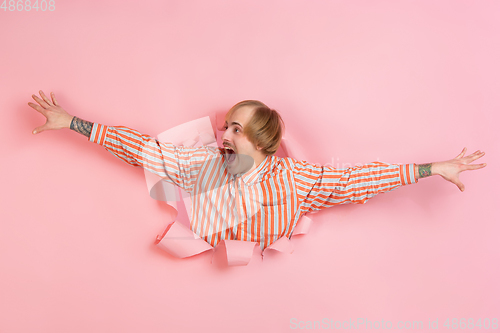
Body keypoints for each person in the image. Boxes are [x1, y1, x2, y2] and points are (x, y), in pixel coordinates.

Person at [28, 90, 487, 251]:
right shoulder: (205, 166)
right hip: (215, 237)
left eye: (236, 128)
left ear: (264, 140)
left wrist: (433, 167)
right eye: (225, 124)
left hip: (274, 237)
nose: (224, 133)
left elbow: (359, 180)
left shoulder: (297, 179)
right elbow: (143, 150)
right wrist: (73, 122)